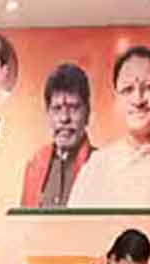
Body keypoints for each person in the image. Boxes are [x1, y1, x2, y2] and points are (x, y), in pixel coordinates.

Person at [68, 45, 150, 207]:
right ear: (117, 99)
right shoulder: (96, 165)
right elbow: (74, 222)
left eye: (149, 87)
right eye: (128, 89)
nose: (138, 100)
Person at [21, 63, 96, 207]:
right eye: (57, 108)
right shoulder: (35, 166)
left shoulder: (102, 166)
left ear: (87, 113)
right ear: (48, 114)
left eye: (73, 108)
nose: (64, 118)